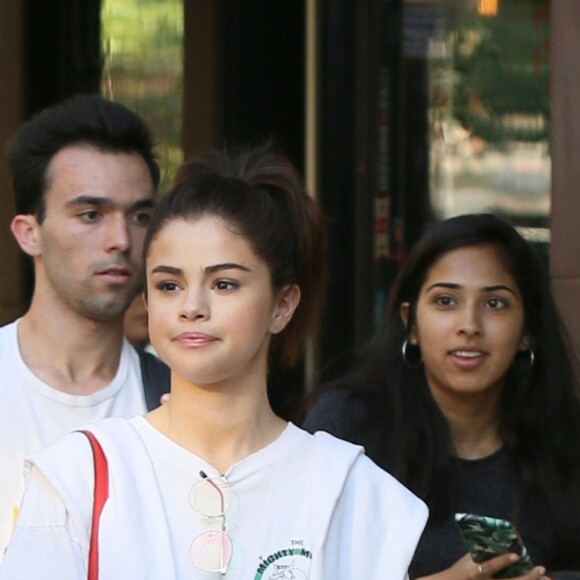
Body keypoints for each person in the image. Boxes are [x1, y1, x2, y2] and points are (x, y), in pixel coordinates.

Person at [0, 144, 428, 579]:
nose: (192, 306)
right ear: (146, 299)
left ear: (282, 304)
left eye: (224, 284)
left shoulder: (351, 491)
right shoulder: (79, 476)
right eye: (169, 285)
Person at [303, 214, 580, 579]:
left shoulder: (566, 442)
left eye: (495, 303)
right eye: (446, 301)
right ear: (411, 323)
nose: (469, 325)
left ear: (527, 330)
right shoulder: (348, 428)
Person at [0, 94, 169, 561]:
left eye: (139, 217)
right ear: (28, 232)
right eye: (91, 215)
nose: (120, 241)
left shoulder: (177, 402)